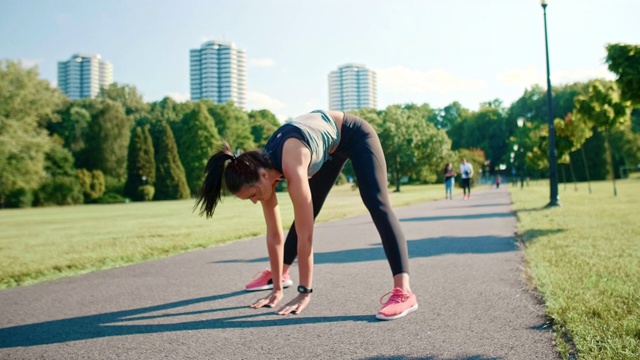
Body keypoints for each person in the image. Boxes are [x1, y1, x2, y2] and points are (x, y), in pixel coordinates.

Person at [195, 110, 418, 321]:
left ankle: (404, 292)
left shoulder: (292, 164)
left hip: (354, 134)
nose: (255, 200)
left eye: (252, 195)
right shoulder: (262, 170)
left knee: (375, 201)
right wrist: (277, 290)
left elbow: (306, 237)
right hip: (328, 147)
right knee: (307, 212)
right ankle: (280, 274)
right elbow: (274, 236)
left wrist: (304, 292)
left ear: (263, 176)